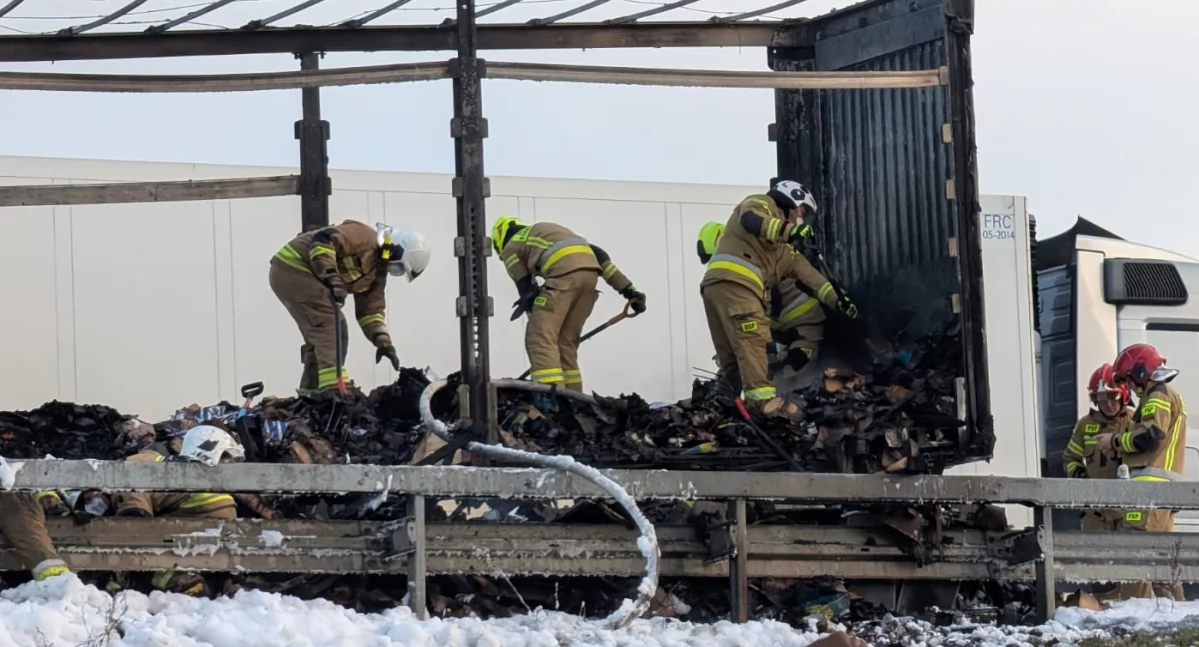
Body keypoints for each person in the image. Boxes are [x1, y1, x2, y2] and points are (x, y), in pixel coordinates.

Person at [699, 181, 857, 420]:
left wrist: (839, 301)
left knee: (732, 357)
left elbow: (814, 280)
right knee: (755, 346)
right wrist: (788, 231)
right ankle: (763, 410)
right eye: (801, 211)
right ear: (790, 197)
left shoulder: (783, 253)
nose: (799, 219)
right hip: (740, 287)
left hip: (714, 289)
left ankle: (722, 409)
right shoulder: (761, 202)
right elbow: (752, 220)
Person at [270, 220, 430, 395]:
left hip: (302, 275)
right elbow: (323, 241)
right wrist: (333, 279)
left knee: (320, 337)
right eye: (398, 267)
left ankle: (311, 393)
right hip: (293, 267)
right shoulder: (363, 235)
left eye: (398, 271)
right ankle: (334, 389)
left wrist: (383, 342)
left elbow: (370, 310)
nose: (393, 270)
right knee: (332, 324)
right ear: (397, 248)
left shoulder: (377, 270)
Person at [491, 215, 646, 396]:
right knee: (565, 344)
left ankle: (551, 401)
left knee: (540, 338)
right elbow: (601, 257)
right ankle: (575, 400)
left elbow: (526, 287)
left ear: (499, 241)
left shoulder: (511, 247)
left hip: (563, 279)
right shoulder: (548, 232)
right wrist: (629, 291)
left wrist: (532, 309)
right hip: (589, 281)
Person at [112, 426, 247, 596]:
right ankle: (213, 583)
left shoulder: (139, 466)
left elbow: (136, 515)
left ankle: (181, 583)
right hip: (223, 519)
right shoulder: (195, 476)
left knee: (147, 559)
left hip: (199, 518)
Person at [1104, 342, 1188, 600]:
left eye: (1128, 380)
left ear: (1141, 371)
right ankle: (1173, 612)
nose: (1128, 387)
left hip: (1149, 492)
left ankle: (1136, 610)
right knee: (1162, 559)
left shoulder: (1158, 394)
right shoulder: (1161, 394)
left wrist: (1115, 442)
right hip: (1158, 492)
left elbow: (1151, 435)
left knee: (1136, 552)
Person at [697, 220, 825, 372]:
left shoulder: (758, 263)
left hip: (806, 326)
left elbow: (757, 312)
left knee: (794, 371)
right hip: (786, 330)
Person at [1062, 363, 1131, 533]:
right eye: (1101, 398)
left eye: (1112, 396)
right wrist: (1080, 475)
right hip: (1095, 513)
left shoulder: (1135, 421)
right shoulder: (1085, 425)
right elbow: (1070, 458)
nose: (1107, 404)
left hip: (1127, 512)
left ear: (1123, 395)